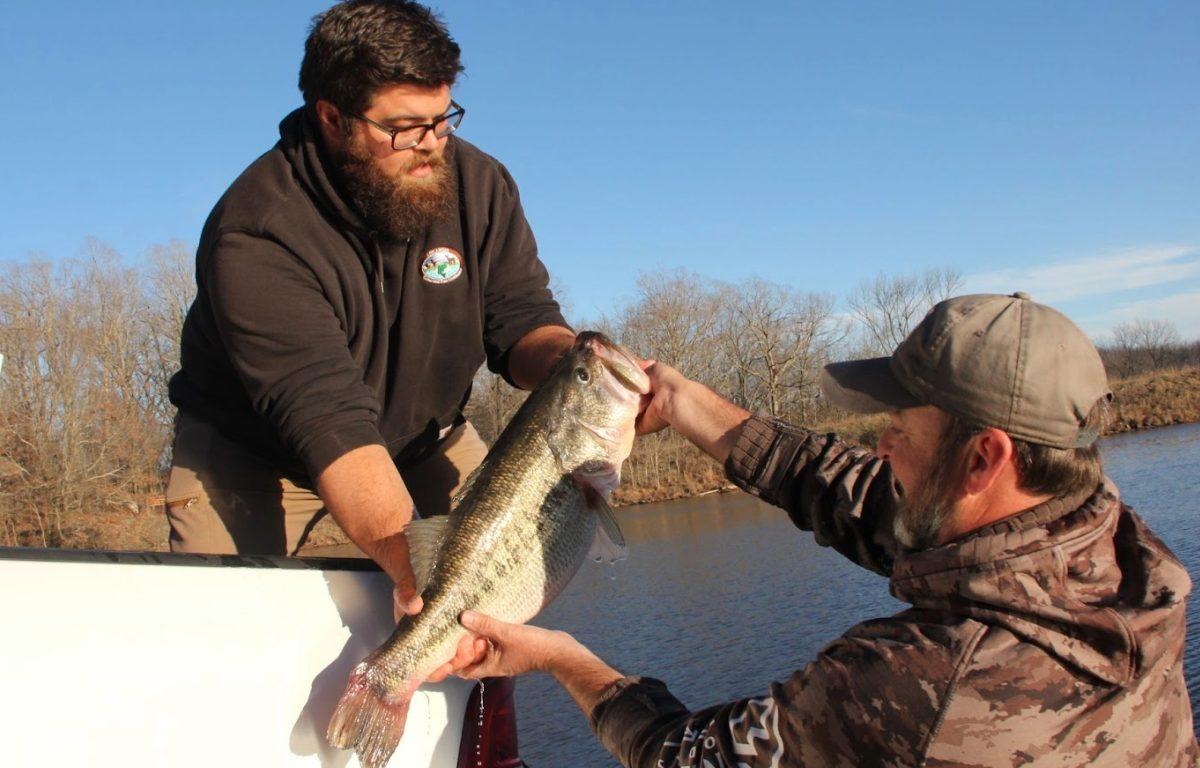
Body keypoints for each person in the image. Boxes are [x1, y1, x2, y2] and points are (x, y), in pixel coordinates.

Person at [448, 292, 1198, 766]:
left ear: (984, 459)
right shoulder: (1121, 551)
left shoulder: (921, 682)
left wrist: (563, 658)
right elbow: (852, 494)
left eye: (902, 429)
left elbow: (688, 759)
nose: (882, 446)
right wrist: (682, 402)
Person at [165, 0, 574, 619]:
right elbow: (329, 420)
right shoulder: (256, 234)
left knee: (497, 599)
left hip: (422, 438)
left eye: (443, 119)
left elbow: (520, 317)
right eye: (405, 127)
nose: (433, 146)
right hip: (258, 455)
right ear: (331, 117)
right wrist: (425, 589)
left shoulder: (480, 184)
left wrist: (580, 370)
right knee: (222, 624)